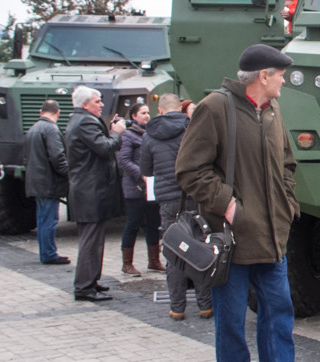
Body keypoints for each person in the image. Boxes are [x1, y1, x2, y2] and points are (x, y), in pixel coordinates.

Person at [177, 44, 299, 362]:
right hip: (231, 242)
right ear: (263, 76)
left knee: (280, 319)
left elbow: (287, 164)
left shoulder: (272, 110)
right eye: (281, 75)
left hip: (273, 240)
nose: (284, 81)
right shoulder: (214, 107)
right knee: (231, 324)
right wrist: (229, 206)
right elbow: (189, 170)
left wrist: (287, 205)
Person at [140, 93, 213, 321]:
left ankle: (177, 308)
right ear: (180, 108)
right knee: (199, 248)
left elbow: (146, 169)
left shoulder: (149, 135)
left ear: (160, 110)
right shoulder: (191, 128)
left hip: (167, 202)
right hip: (192, 197)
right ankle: (205, 305)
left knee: (173, 251)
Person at [66, 85, 126, 302]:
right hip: (90, 191)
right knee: (90, 243)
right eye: (97, 101)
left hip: (88, 190)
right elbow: (105, 147)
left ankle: (90, 281)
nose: (101, 105)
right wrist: (116, 133)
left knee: (93, 241)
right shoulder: (85, 122)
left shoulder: (80, 120)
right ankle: (84, 287)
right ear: (85, 104)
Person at [117, 102, 164, 276]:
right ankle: (127, 263)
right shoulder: (128, 135)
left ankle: (154, 261)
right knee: (133, 224)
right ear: (134, 116)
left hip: (151, 187)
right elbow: (124, 160)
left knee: (154, 224)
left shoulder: (150, 133)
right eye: (143, 113)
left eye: (147, 113)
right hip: (135, 187)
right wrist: (142, 173)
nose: (147, 116)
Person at [24, 100, 71, 264]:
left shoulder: (33, 129)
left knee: (43, 219)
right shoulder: (51, 129)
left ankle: (46, 252)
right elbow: (58, 158)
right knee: (49, 221)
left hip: (36, 181)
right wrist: (69, 175)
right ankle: (49, 254)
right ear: (58, 112)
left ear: (40, 111)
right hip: (49, 183)